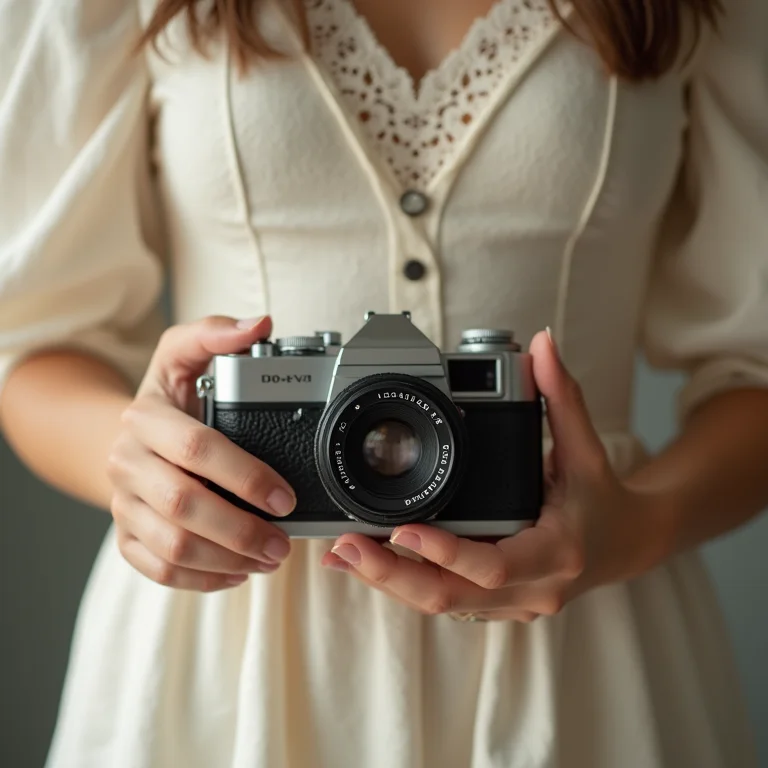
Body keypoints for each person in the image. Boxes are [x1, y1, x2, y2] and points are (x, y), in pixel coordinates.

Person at [1, 0, 766, 765]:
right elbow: (36, 339)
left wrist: (633, 529)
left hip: (589, 613)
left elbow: (755, 370)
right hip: (232, 624)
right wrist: (149, 475)